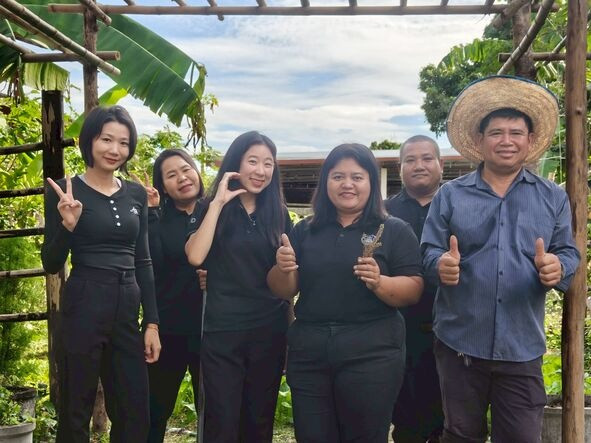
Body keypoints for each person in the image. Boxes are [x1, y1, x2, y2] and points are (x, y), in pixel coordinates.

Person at [421, 75, 581, 443]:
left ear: (529, 141)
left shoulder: (552, 197)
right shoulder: (451, 195)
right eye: (496, 133)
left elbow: (567, 252)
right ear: (479, 141)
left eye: (515, 133)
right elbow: (428, 251)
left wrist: (558, 267)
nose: (506, 141)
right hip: (460, 342)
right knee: (461, 435)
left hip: (521, 345)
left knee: (522, 437)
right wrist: (440, 264)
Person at [268, 143, 424, 442]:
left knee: (364, 435)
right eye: (338, 176)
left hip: (372, 352)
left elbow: (413, 290)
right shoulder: (305, 230)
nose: (347, 184)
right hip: (310, 352)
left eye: (357, 177)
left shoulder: (393, 230)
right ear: (326, 182)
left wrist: (380, 282)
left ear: (371, 183)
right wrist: (282, 267)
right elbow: (283, 289)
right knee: (312, 435)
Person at [41, 105, 161, 443]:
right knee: (75, 408)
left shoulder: (135, 194)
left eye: (123, 142)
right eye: (106, 139)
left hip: (127, 306)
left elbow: (143, 260)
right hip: (85, 301)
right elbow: (51, 262)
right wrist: (67, 226)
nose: (115, 150)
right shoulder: (64, 191)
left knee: (135, 410)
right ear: (89, 141)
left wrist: (152, 323)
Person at [185, 130, 292, 442]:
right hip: (223, 334)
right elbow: (195, 256)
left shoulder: (278, 213)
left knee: (259, 420)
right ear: (236, 164)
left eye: (268, 164)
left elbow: (287, 280)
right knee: (222, 421)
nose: (261, 171)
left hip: (269, 331)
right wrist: (218, 202)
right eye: (252, 161)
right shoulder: (210, 207)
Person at [137, 149, 205, 442]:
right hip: (167, 330)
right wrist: (152, 213)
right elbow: (151, 264)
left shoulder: (217, 211)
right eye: (172, 175)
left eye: (186, 169)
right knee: (153, 411)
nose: (183, 178)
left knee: (213, 412)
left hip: (211, 330)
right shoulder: (159, 219)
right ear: (163, 187)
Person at [386, 135, 444, 443]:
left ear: (440, 164)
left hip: (450, 328)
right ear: (400, 168)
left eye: (426, 158)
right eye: (410, 160)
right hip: (398, 328)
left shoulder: (459, 206)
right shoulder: (382, 212)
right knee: (406, 421)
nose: (418, 165)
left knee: (452, 420)